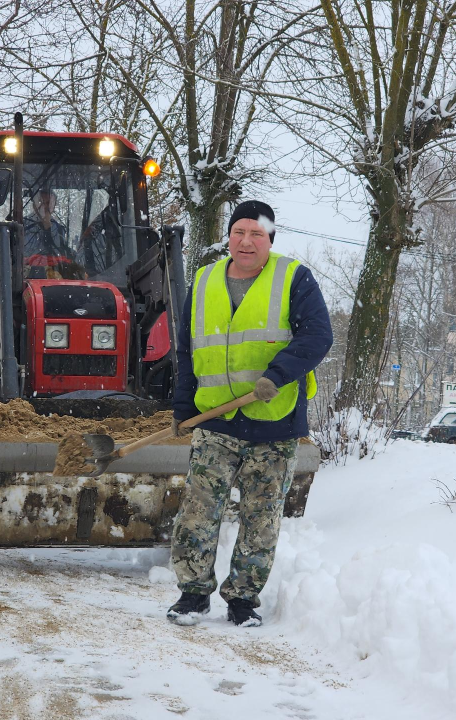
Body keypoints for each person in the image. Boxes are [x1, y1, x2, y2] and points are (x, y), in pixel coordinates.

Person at [167, 200, 333, 628]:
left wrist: (277, 374)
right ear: (228, 237)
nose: (246, 241)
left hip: (273, 422)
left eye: (257, 234)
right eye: (239, 231)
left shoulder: (293, 277)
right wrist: (184, 406)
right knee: (198, 511)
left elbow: (318, 336)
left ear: (270, 239)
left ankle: (242, 599)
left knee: (261, 519)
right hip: (215, 422)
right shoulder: (203, 280)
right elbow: (188, 350)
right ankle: (192, 594)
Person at [24, 189, 74, 261]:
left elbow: (59, 252)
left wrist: (48, 229)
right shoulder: (23, 226)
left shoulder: (59, 229)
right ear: (34, 205)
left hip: (53, 270)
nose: (45, 206)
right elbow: (24, 252)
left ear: (53, 206)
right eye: (40, 202)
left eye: (48, 203)